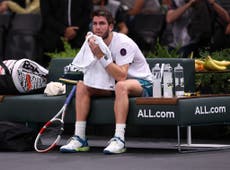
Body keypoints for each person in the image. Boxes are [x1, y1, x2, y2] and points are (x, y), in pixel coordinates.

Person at [60, 8, 153, 154]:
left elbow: (121, 76)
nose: (97, 27)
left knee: (121, 85)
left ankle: (119, 139)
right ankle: (79, 138)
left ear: (110, 26)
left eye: (102, 23)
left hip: (141, 83)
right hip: (114, 84)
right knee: (82, 86)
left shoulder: (123, 43)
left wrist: (100, 55)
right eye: (95, 23)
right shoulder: (93, 41)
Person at [38, 0, 93, 66]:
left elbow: (88, 12)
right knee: (52, 69)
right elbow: (46, 14)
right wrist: (63, 30)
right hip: (53, 39)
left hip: (79, 37)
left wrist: (75, 30)